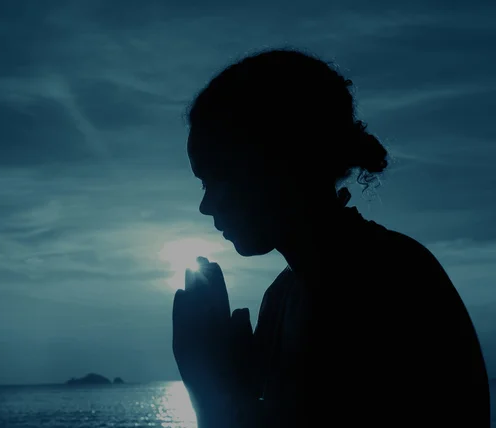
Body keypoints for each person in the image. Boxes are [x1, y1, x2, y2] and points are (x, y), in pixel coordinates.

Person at [172, 48, 491, 427]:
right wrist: (233, 387)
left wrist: (207, 387)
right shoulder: (282, 298)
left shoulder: (392, 283)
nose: (205, 206)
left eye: (213, 178)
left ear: (272, 161)